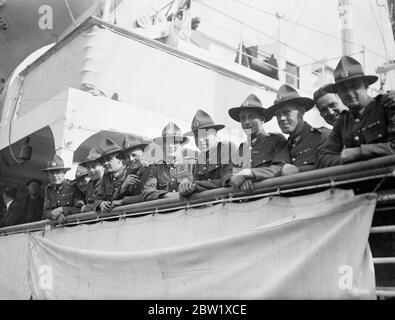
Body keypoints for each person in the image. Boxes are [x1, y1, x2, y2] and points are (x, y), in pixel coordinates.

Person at [317, 56, 395, 167]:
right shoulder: (343, 121)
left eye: (354, 86)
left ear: (366, 85)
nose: (349, 93)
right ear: (339, 94)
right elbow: (323, 158)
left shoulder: (386, 106)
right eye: (343, 89)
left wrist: (359, 152)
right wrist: (344, 160)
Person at [227, 94, 290, 193]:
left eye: (251, 117)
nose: (247, 122)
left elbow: (281, 168)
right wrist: (239, 179)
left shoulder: (276, 141)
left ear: (262, 119)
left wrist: (250, 173)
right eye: (243, 118)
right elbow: (229, 173)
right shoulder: (241, 149)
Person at [265, 84, 331, 175]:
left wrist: (299, 170)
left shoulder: (322, 137)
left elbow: (331, 167)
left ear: (302, 112)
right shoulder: (284, 146)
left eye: (286, 112)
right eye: (278, 115)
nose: (281, 118)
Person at [178, 109, 234, 196]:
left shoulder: (227, 148)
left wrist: (196, 185)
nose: (200, 140)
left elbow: (229, 181)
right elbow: (196, 185)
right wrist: (187, 184)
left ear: (215, 135)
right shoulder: (200, 159)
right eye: (197, 136)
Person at [143, 122, 189, 200]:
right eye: (167, 142)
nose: (170, 146)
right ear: (162, 147)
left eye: (174, 142)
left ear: (181, 145)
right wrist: (167, 196)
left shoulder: (192, 165)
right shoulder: (156, 169)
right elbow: (147, 192)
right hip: (165, 211)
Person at [41, 155, 84, 223]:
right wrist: (56, 215)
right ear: (48, 175)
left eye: (57, 172)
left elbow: (80, 209)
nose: (54, 175)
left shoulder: (73, 186)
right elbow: (46, 212)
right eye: (51, 173)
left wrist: (62, 210)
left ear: (64, 173)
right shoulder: (49, 189)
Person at [111, 135, 151, 206]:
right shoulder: (127, 173)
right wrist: (124, 186)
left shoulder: (151, 170)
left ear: (143, 155)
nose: (131, 159)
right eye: (127, 157)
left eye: (134, 155)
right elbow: (114, 199)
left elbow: (151, 195)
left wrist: (125, 200)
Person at [93, 138, 129, 213]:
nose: (105, 163)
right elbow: (97, 199)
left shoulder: (129, 172)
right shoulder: (105, 178)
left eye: (109, 159)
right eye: (103, 161)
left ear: (119, 159)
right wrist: (101, 203)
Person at [78, 147, 105, 212]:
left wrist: (87, 207)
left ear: (103, 166)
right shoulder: (90, 184)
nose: (91, 170)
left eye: (93, 166)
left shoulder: (107, 180)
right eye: (88, 168)